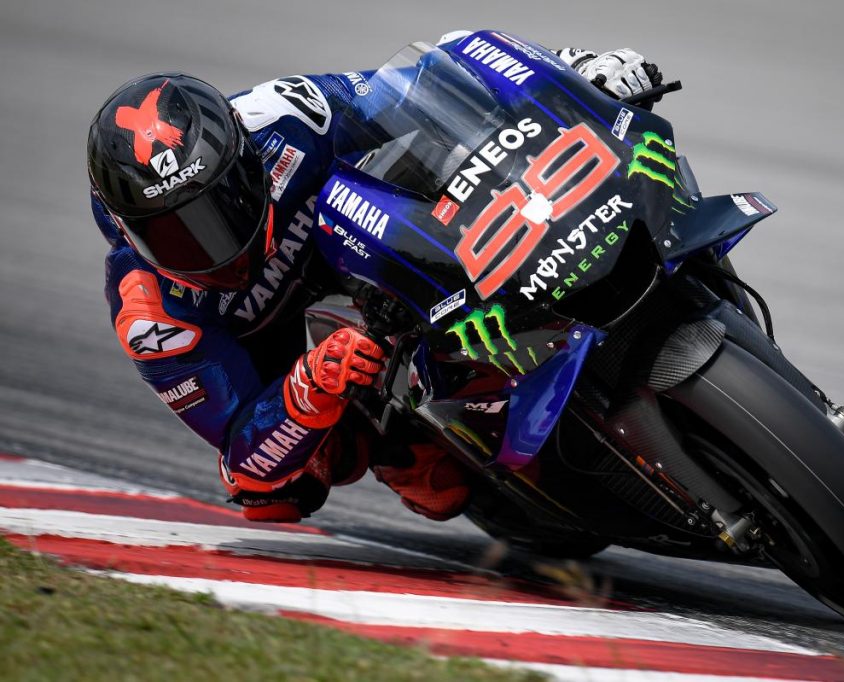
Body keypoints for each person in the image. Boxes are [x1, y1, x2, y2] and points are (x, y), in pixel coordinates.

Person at [86, 31, 664, 523]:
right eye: (173, 233)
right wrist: (309, 387)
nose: (209, 247)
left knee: (447, 148)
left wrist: (573, 75)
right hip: (295, 355)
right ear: (127, 231)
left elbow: (429, 85)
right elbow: (244, 468)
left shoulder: (285, 118)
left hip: (368, 248)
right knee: (304, 493)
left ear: (245, 160)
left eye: (220, 207)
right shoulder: (150, 315)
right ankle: (402, 432)